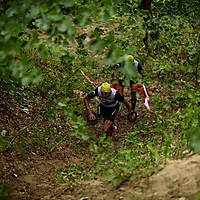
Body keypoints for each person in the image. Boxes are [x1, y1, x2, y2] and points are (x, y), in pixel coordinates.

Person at [111, 55, 145, 120]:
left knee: (133, 93)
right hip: (123, 75)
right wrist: (113, 78)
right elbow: (113, 69)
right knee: (120, 93)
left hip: (133, 77)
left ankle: (132, 110)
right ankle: (117, 107)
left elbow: (143, 73)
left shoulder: (136, 64)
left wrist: (144, 82)